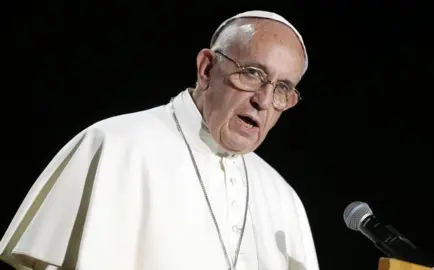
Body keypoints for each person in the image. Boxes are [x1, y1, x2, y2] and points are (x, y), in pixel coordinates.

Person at [0, 10, 319, 270]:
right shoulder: (114, 146)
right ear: (206, 69)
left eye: (282, 89)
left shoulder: (283, 199)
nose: (263, 101)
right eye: (252, 73)